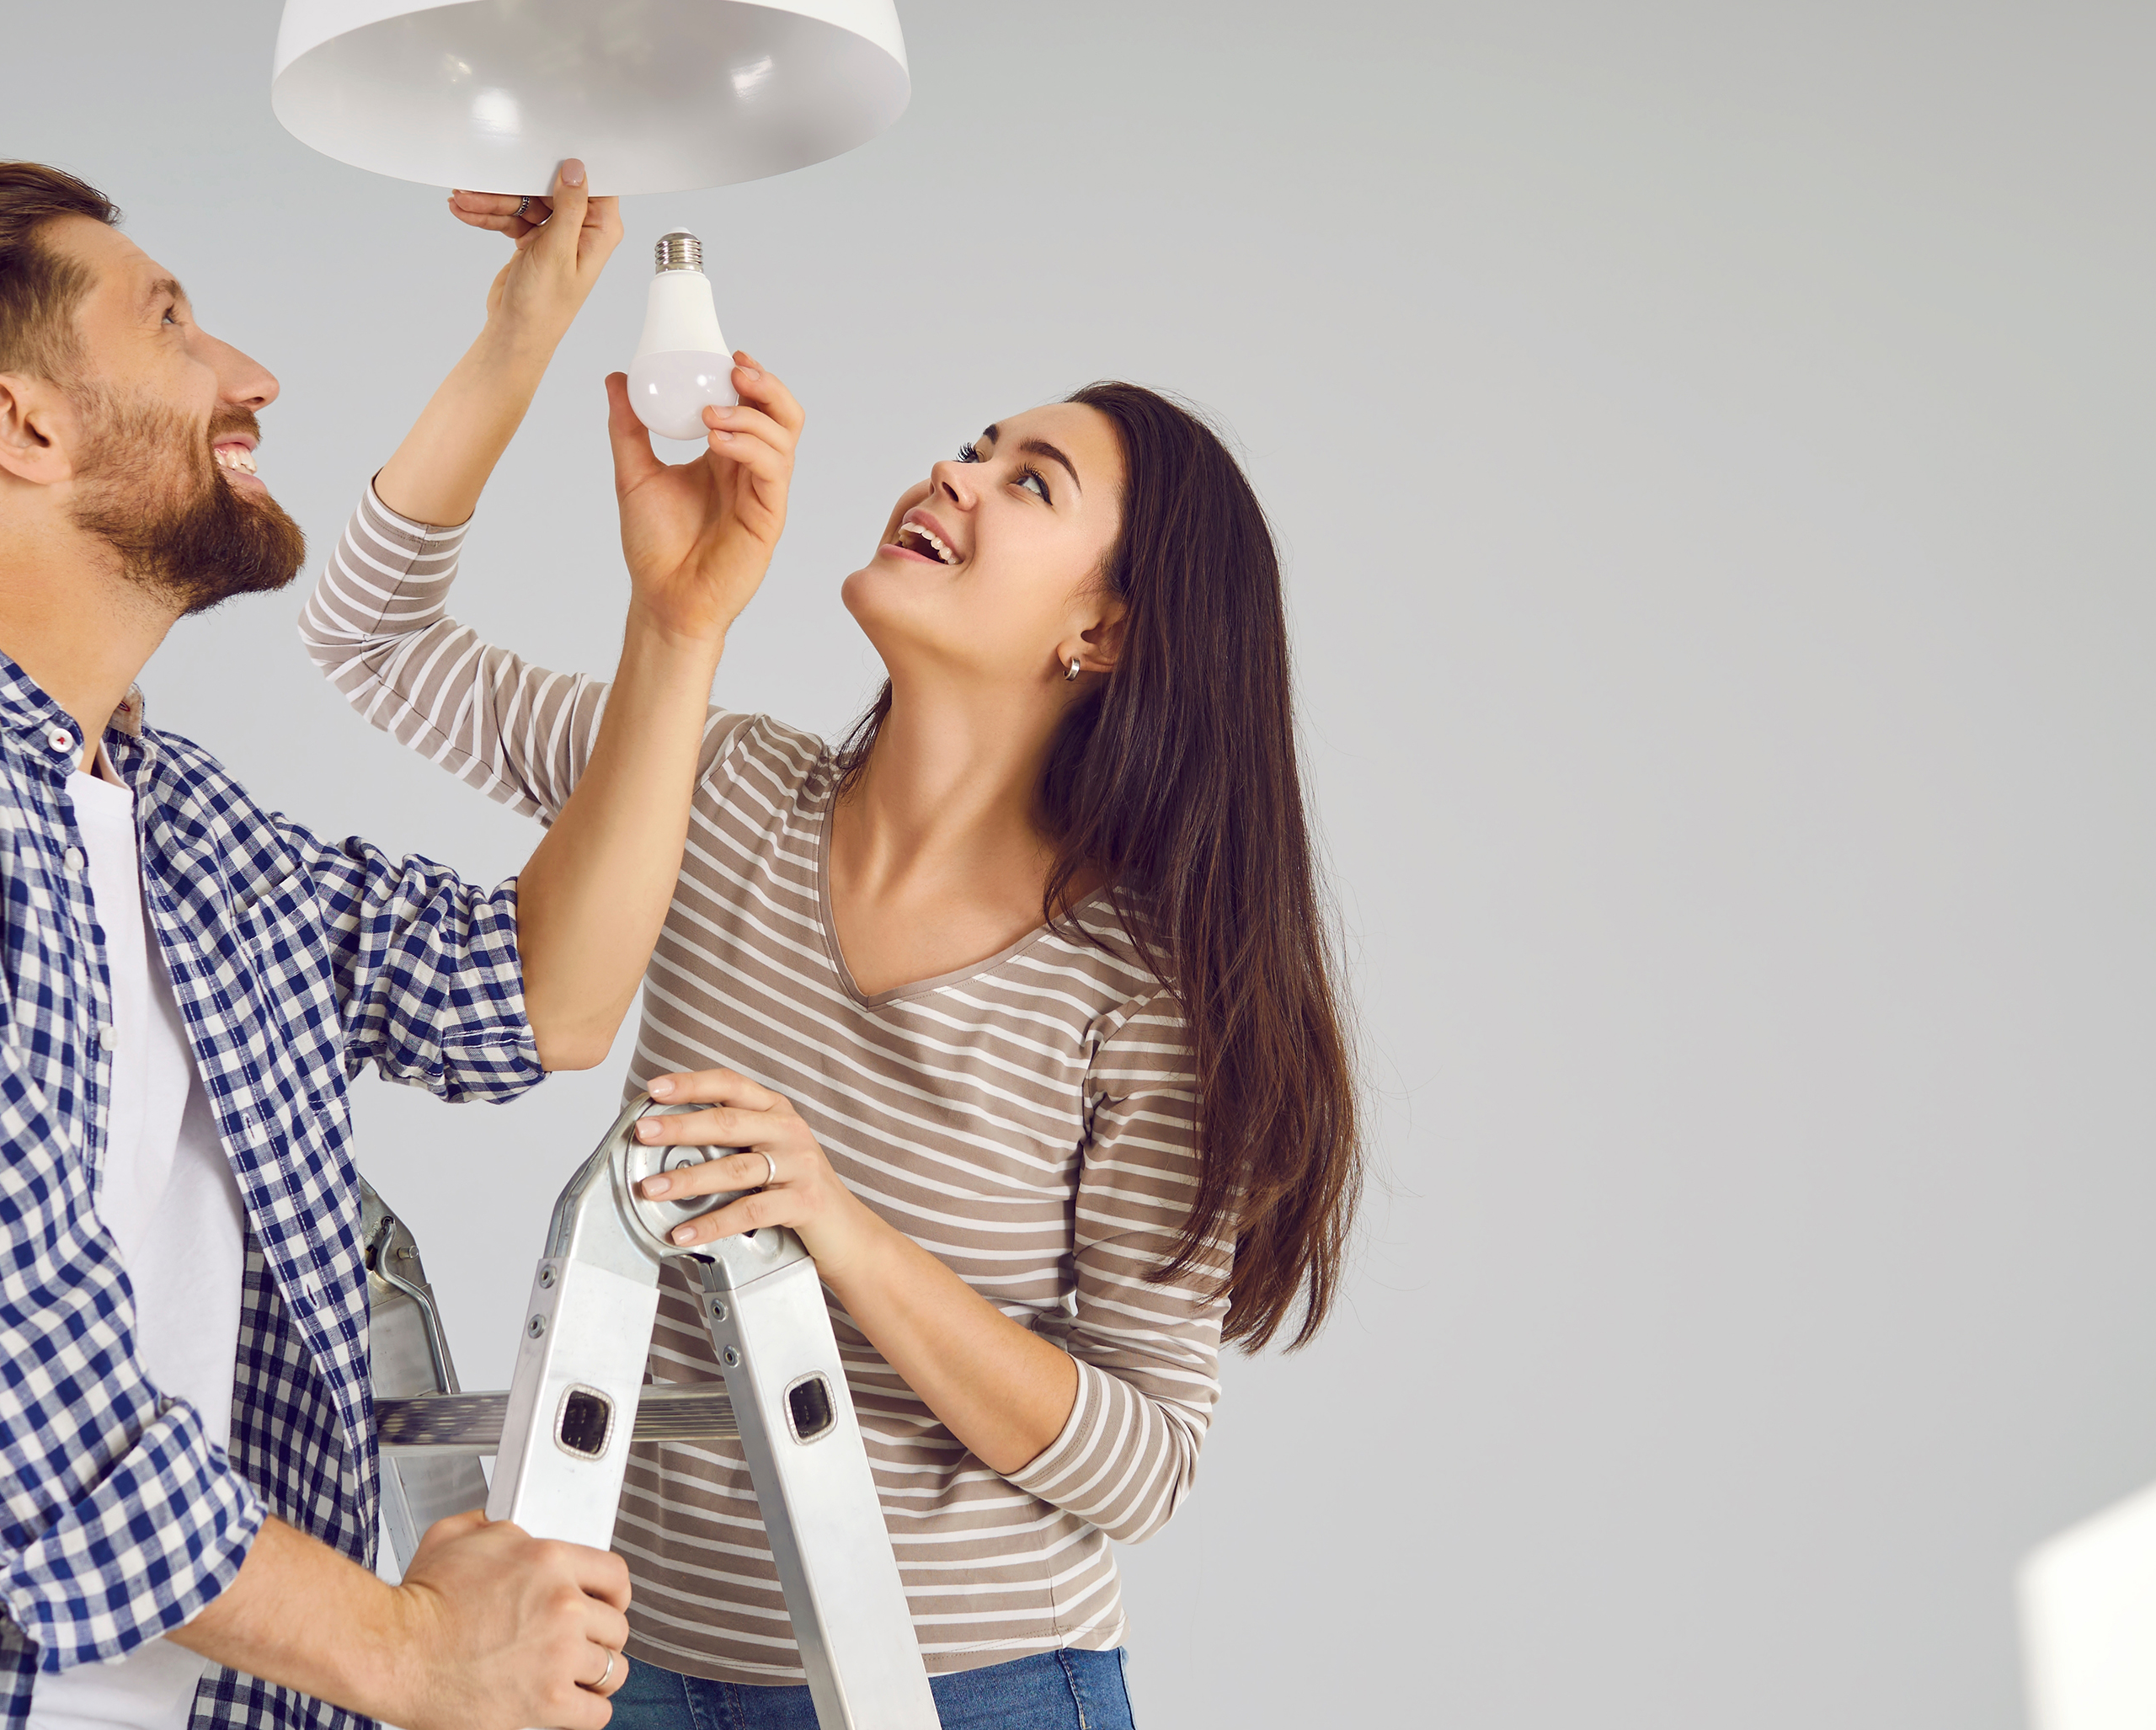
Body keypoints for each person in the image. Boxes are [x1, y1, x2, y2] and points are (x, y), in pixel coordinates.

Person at [0, 157, 792, 1730]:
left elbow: (541, 995)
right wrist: (411, 1651)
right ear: (21, 425)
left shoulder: (176, 829)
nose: (249, 377)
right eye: (172, 322)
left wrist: (677, 621)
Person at [300, 169, 1364, 1728]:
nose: (959, 472)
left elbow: (1142, 1463)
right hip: (637, 1673)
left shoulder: (1136, 997)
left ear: (1108, 631)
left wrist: (836, 1228)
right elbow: (369, 636)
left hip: (969, 1687)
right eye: (974, 445)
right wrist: (523, 337)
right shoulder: (716, 790)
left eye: (1033, 483)